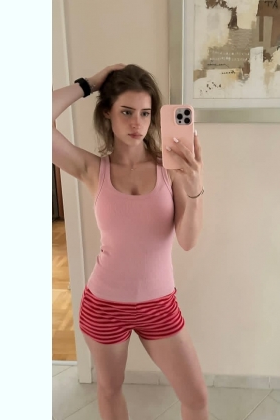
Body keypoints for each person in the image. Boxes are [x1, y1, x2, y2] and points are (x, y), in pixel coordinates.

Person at [52, 64, 208, 420]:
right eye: (126, 112)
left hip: (160, 305)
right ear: (107, 112)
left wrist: (195, 187)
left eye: (145, 113)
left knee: (196, 397)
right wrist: (90, 83)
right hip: (104, 305)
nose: (137, 122)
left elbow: (187, 241)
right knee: (110, 389)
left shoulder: (172, 169)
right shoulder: (94, 169)